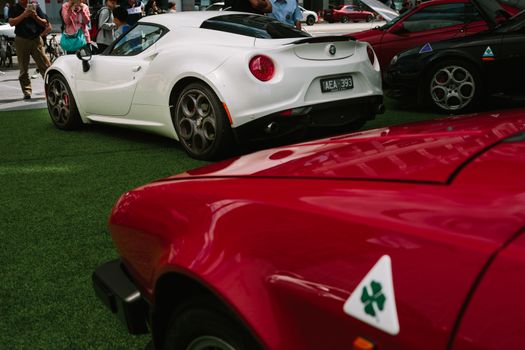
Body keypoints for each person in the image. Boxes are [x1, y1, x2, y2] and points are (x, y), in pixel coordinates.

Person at [8, 0, 50, 99]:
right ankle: (27, 91)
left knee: (45, 65)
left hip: (36, 39)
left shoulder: (35, 6)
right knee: (23, 67)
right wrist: (24, 14)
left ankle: (50, 89)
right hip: (21, 39)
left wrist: (35, 16)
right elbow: (11, 23)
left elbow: (45, 23)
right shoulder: (14, 8)